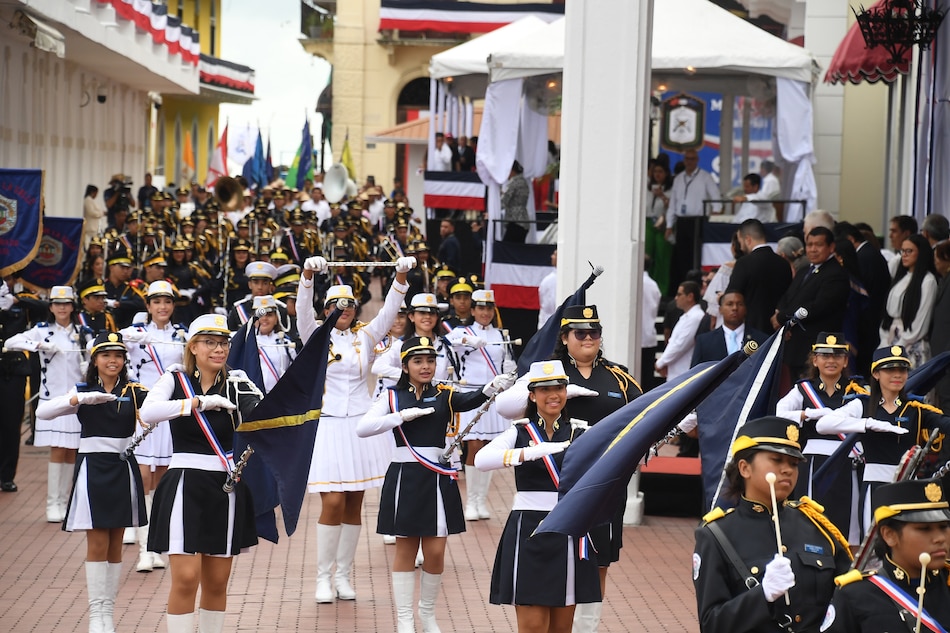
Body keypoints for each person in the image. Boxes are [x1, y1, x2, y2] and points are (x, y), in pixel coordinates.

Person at [495, 305, 642, 633]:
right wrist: (555, 387)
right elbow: (505, 406)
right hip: (553, 483)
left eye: (594, 332)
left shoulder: (618, 376)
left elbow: (644, 416)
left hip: (601, 486)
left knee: (595, 560)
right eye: (580, 333)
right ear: (564, 337)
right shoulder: (550, 373)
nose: (588, 338)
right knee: (555, 565)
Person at [357, 336, 512, 633]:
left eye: (430, 360)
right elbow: (363, 428)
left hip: (437, 476)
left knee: (436, 551)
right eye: (418, 361)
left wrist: (492, 386)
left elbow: (471, 400)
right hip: (405, 476)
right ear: (405, 366)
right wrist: (400, 417)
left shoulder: (443, 393)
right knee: (405, 549)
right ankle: (404, 620)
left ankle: (427, 615)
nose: (425, 366)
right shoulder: (391, 396)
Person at [297, 253, 415, 604]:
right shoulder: (315, 335)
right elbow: (302, 311)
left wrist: (400, 279)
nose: (343, 309)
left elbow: (389, 311)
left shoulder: (366, 336)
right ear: (326, 308)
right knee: (332, 501)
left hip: (360, 426)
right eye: (336, 304)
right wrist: (306, 276)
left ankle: (344, 576)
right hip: (329, 424)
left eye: (348, 304)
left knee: (354, 502)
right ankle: (323, 578)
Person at [139, 313, 263, 633]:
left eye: (223, 343)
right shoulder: (175, 379)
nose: (219, 349)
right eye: (210, 342)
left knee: (217, 581)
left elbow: (263, 417)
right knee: (185, 578)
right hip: (184, 482)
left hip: (224, 486)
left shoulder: (237, 382)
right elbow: (148, 412)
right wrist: (196, 403)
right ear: (193, 347)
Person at [692, 416, 853, 633]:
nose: (788, 470)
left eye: (794, 463)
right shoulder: (717, 534)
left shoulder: (816, 525)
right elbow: (712, 624)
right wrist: (762, 595)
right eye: (777, 460)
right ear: (745, 468)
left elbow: (849, 599)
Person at [475, 360, 601, 633]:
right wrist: (528, 453)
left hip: (568, 529)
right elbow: (481, 459)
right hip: (529, 529)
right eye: (544, 389)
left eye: (559, 388)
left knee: (561, 628)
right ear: (532, 395)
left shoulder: (580, 431)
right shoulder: (520, 432)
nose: (553, 395)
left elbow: (618, 449)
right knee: (533, 626)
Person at [36, 332, 148, 633]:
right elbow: (42, 412)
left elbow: (160, 409)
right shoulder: (83, 389)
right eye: (106, 355)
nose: (113, 361)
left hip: (122, 467)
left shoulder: (134, 390)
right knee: (98, 541)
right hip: (93, 468)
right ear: (95, 359)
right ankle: (96, 615)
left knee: (116, 542)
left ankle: (108, 612)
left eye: (118, 355)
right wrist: (79, 399)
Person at [816, 345, 950, 536]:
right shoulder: (863, 404)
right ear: (876, 374)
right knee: (875, 544)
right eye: (890, 370)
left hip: (907, 486)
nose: (897, 375)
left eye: (902, 370)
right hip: (875, 487)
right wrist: (867, 424)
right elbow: (823, 425)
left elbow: (945, 424)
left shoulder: (915, 409)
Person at [820, 479, 950, 632]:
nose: (940, 538)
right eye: (925, 529)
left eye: (944, 527)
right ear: (889, 535)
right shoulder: (857, 595)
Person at [120, 280, 188, 571]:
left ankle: (154, 545)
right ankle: (142, 547)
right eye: (157, 302)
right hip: (142, 412)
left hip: (168, 412)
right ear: (148, 305)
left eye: (167, 301)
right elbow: (105, 343)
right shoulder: (136, 332)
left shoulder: (181, 334)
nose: (162, 307)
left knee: (162, 478)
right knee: (142, 476)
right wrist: (132, 337)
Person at [6, 286, 86, 522]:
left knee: (71, 451)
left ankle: (65, 501)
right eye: (57, 304)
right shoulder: (41, 330)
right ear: (51, 307)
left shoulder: (82, 331)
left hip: (75, 399)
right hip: (53, 400)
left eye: (66, 303)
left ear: (72, 306)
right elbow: (12, 341)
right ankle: (52, 503)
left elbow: (93, 354)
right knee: (57, 449)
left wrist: (88, 365)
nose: (62, 308)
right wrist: (40, 346)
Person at [774, 333, 863, 544]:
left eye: (837, 356)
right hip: (813, 461)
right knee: (810, 520)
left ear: (845, 361)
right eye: (825, 355)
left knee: (846, 523)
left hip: (847, 460)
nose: (831, 361)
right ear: (815, 360)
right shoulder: (804, 389)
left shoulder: (856, 390)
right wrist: (807, 414)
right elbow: (780, 412)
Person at [445, 289, 517, 521]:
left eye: (488, 309)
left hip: (494, 394)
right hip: (471, 393)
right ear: (473, 310)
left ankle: (481, 501)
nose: (485, 313)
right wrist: (469, 340)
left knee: (490, 448)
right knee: (474, 445)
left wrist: (510, 379)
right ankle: (471, 502)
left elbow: (508, 362)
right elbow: (448, 342)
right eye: (481, 308)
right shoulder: (462, 331)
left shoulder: (500, 334)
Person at [772, 227, 852, 383]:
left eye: (818, 245)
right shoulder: (804, 270)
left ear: (831, 247)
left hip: (816, 348)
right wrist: (780, 315)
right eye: (809, 245)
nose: (813, 249)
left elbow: (817, 307)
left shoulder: (836, 274)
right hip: (795, 347)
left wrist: (782, 318)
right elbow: (788, 297)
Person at [879, 233, 937, 367]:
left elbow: (921, 319)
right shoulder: (901, 277)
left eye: (909, 251)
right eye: (902, 251)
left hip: (912, 344)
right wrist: (885, 341)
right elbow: (888, 315)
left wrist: (901, 344)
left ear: (921, 253)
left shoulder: (927, 281)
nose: (904, 255)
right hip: (891, 340)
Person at [727, 219, 793, 335]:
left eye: (740, 241)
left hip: (751, 331)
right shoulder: (784, 263)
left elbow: (733, 294)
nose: (740, 247)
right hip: (778, 330)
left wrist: (720, 298)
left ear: (748, 239)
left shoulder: (744, 263)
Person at [664, 148, 721, 241]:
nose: (689, 162)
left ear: (697, 160)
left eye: (692, 159)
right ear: (684, 160)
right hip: (681, 221)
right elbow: (673, 204)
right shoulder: (678, 179)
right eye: (687, 159)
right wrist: (669, 225)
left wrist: (716, 212)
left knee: (696, 248)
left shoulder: (705, 177)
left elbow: (715, 196)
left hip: (698, 221)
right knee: (681, 249)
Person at [656, 281, 704, 381]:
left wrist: (661, 362)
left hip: (684, 372)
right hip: (676, 371)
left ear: (690, 297)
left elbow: (680, 345)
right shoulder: (686, 316)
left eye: (679, 294)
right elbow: (673, 343)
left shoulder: (696, 317)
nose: (676, 298)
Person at [252, 295, 297, 394]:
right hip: (253, 396)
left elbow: (295, 371)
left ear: (276, 319)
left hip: (280, 396)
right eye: (260, 315)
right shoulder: (246, 342)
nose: (264, 319)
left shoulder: (286, 343)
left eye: (269, 315)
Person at [501, 161, 530, 243]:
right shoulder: (523, 181)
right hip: (523, 220)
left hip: (515, 220)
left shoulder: (514, 182)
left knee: (508, 247)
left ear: (512, 170)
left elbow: (504, 200)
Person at [538, 249, 558, 330]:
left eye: (555, 255)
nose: (552, 257)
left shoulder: (551, 280)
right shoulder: (548, 280)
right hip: (547, 323)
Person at [83, 185, 106, 249]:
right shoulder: (88, 200)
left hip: (94, 227)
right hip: (90, 227)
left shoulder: (91, 200)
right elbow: (91, 213)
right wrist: (102, 213)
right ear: (93, 192)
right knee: (90, 244)